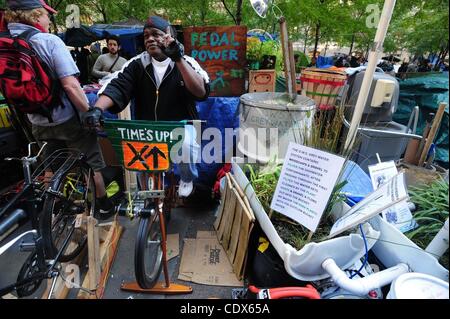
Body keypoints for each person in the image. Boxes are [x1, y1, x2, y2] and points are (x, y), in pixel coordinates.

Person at [4, 0, 114, 217]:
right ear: (35, 16)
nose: (49, 19)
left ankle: (50, 209)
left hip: (36, 119)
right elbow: (71, 86)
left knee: (50, 166)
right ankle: (103, 206)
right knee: (91, 163)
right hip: (67, 118)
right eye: (46, 14)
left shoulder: (5, 43)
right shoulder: (49, 41)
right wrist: (89, 113)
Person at [84, 15, 210, 198]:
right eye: (146, 35)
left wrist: (178, 59)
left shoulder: (187, 62)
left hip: (180, 126)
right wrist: (97, 109)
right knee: (138, 159)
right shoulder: (136, 64)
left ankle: (187, 178)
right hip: (148, 129)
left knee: (188, 146)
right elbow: (117, 86)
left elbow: (201, 92)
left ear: (169, 36)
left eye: (156, 34)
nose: (150, 38)